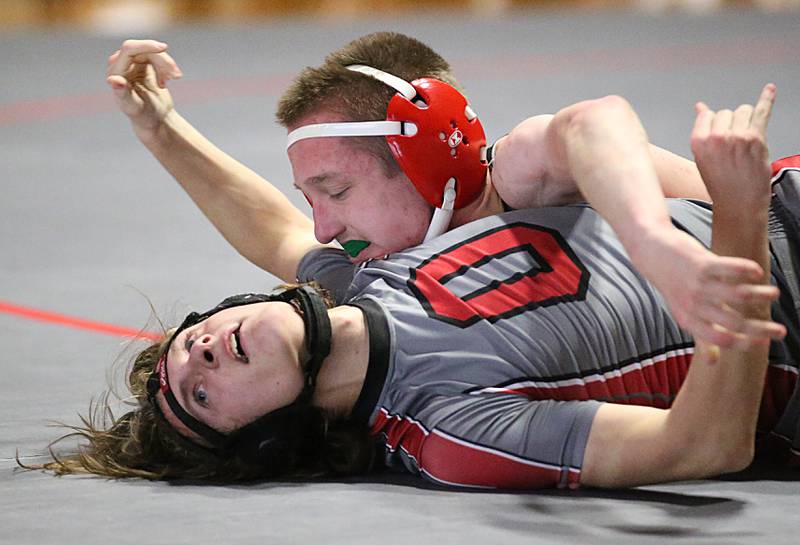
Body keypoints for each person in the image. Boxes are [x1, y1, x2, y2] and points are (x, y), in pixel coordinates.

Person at [34, 85, 800, 489]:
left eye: (187, 341)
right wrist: (736, 214)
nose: (198, 353)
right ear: (265, 442)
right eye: (198, 392)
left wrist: (161, 127)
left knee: (541, 147)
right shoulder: (445, 431)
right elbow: (705, 444)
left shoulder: (369, 272)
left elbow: (272, 228)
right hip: (784, 316)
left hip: (779, 201)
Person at [106, 33, 765, 348]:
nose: (322, 228)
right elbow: (273, 233)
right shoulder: (390, 275)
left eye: (333, 189)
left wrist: (652, 242)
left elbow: (589, 123)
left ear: (427, 157)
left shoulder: (515, 179)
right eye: (312, 197)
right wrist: (160, 128)